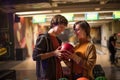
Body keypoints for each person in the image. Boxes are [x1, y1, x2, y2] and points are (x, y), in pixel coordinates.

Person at [32, 15, 68, 80]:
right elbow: (35, 57)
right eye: (61, 27)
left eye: (63, 28)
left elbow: (56, 57)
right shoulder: (43, 38)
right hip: (47, 75)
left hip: (57, 73)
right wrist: (54, 53)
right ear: (53, 24)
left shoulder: (58, 40)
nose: (62, 30)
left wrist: (61, 56)